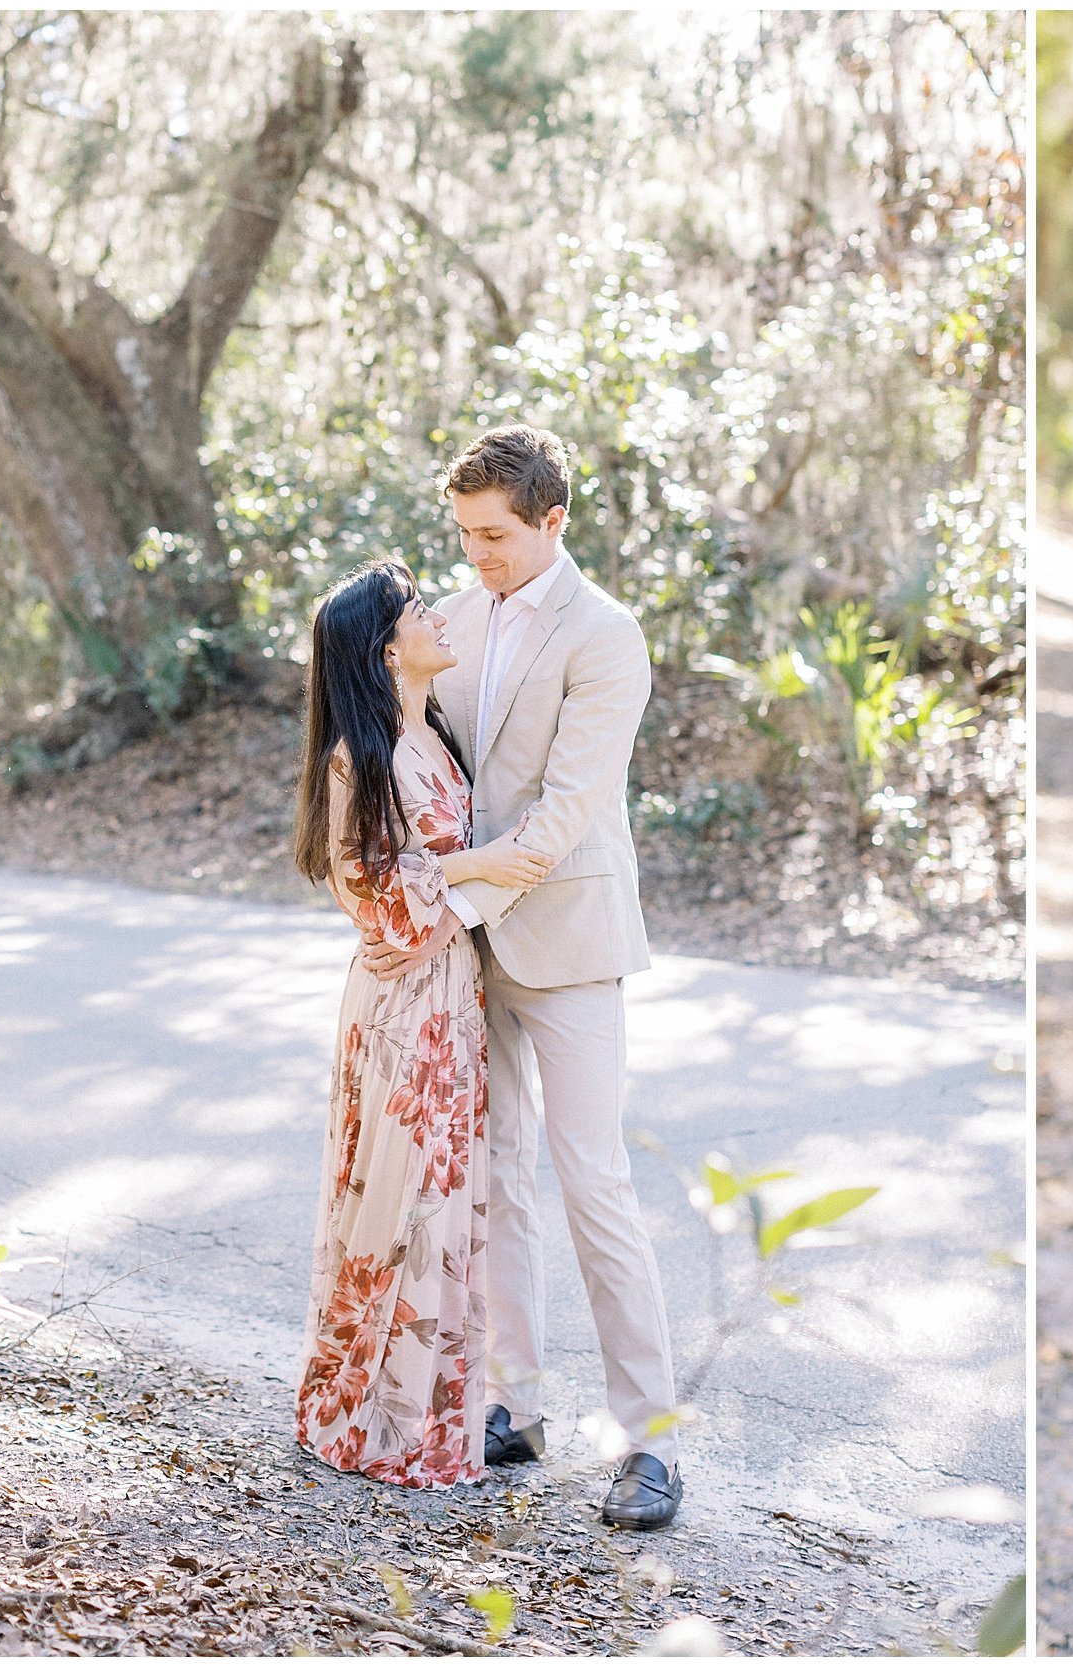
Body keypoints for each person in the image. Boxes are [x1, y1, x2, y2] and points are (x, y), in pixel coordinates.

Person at [360, 424, 683, 1529]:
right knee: (492, 1173)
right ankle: (515, 1402)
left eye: (494, 535)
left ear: (554, 521)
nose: (476, 554)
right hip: (466, 954)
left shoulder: (607, 637)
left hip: (567, 934)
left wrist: (444, 901)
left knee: (592, 1177)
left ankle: (649, 1440)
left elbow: (559, 816)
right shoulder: (457, 614)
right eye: (463, 534)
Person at [291, 559, 554, 1486]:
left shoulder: (434, 744)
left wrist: (470, 878)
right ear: (384, 646)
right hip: (404, 1003)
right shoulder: (355, 759)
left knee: (443, 1200)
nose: (437, 614)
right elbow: (379, 904)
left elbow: (437, 886)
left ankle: (433, 1412)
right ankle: (374, 1413)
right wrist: (488, 866)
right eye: (414, 609)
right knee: (397, 1201)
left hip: (451, 994)